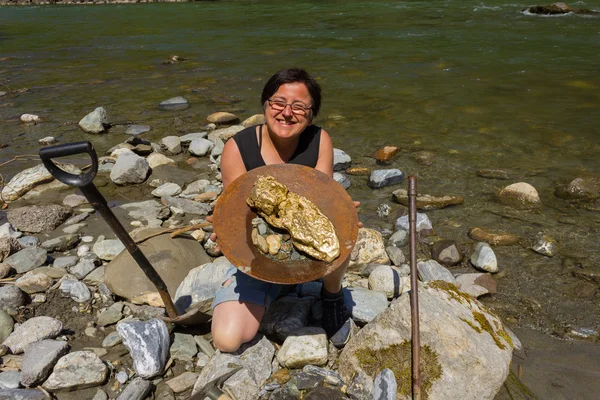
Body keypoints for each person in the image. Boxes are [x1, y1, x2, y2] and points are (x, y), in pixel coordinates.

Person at [210, 68, 355, 352]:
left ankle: (332, 293)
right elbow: (239, 214)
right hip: (257, 253)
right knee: (227, 341)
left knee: (342, 233)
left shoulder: (319, 140)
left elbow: (320, 201)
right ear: (265, 104)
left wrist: (342, 213)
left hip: (304, 250)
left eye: (299, 106)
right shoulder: (238, 148)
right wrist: (223, 229)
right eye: (278, 102)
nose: (287, 112)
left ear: (311, 114)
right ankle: (269, 287)